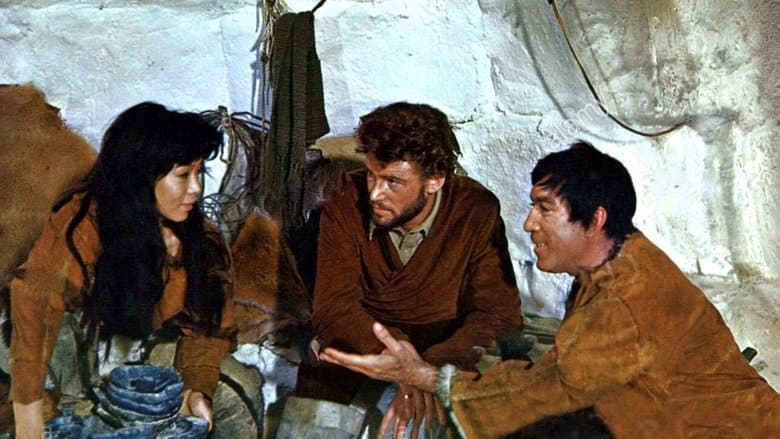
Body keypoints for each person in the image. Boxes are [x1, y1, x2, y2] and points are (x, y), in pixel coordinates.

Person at [321, 142, 780, 438]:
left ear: (595, 219)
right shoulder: (622, 257)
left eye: (544, 209)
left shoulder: (625, 298)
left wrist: (424, 376)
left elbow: (543, 393)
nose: (528, 223)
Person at [7, 102, 235, 438]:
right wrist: (29, 416)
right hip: (74, 352)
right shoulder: (83, 225)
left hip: (144, 352)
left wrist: (195, 390)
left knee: (237, 391)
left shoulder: (203, 240)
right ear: (142, 178)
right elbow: (36, 305)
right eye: (183, 175)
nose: (196, 188)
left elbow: (208, 327)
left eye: (199, 173)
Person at [302, 102, 523, 437]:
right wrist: (401, 361)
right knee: (308, 423)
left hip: (445, 351)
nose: (375, 193)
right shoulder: (345, 200)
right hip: (362, 341)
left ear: (434, 181)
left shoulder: (474, 209)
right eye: (371, 174)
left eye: (393, 181)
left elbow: (497, 313)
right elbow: (333, 308)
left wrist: (427, 372)